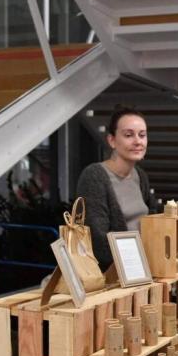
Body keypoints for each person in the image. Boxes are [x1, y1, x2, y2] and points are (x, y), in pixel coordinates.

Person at [76, 107, 157, 270]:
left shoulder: (140, 176)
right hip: (112, 275)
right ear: (112, 140)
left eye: (142, 135)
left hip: (143, 267)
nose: (138, 141)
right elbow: (99, 244)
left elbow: (153, 221)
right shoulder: (94, 176)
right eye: (128, 135)